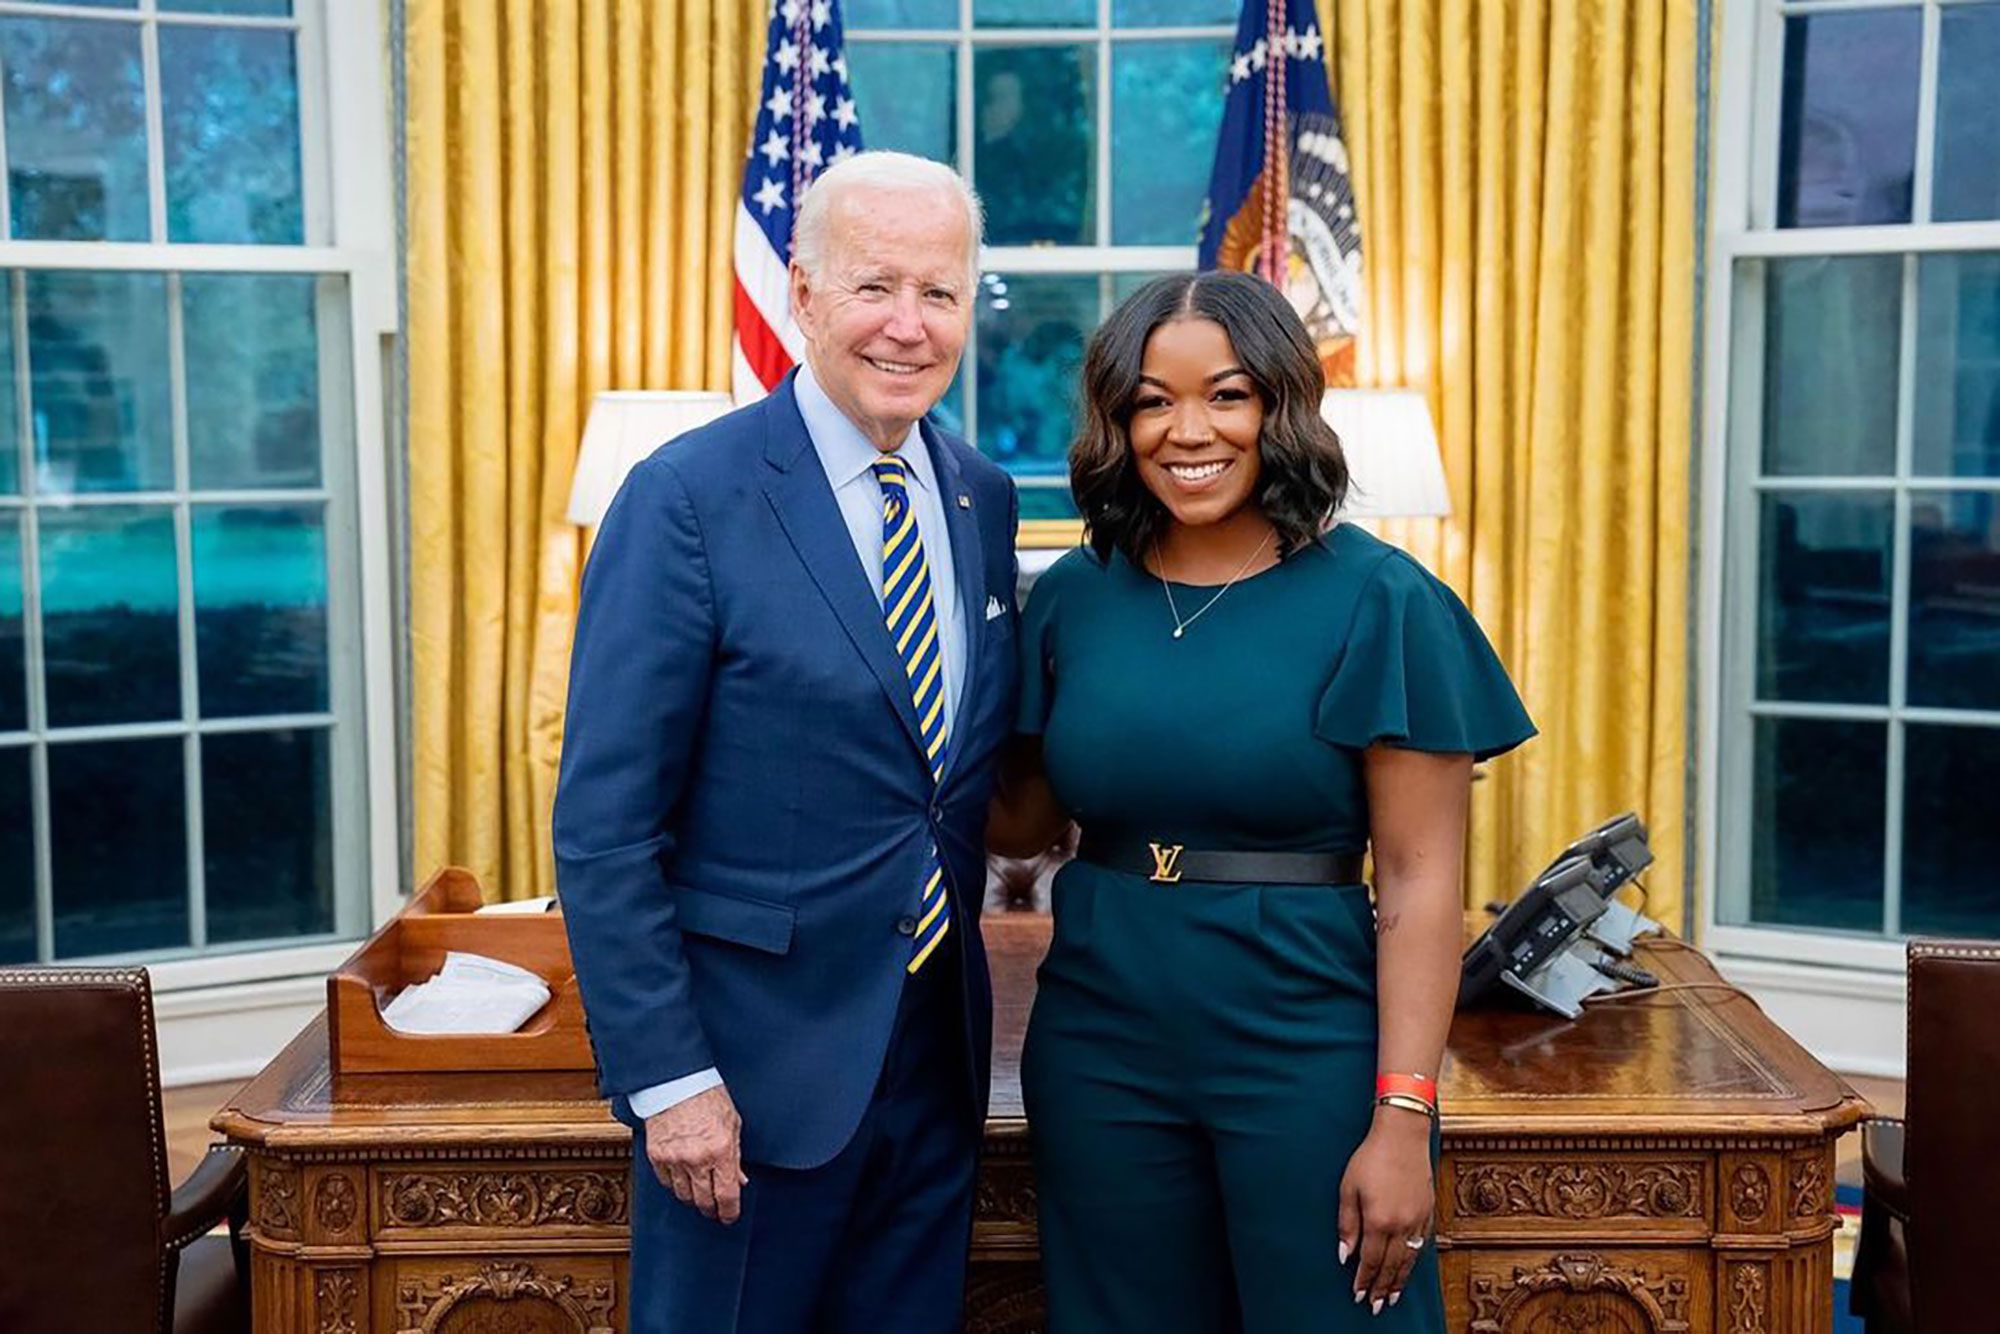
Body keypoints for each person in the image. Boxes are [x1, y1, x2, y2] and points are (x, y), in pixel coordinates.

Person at [988, 270, 1534, 1331]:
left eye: (1225, 394)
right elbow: (1015, 822)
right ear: (1116, 418)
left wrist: (1402, 1116)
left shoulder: (1380, 597)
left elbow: (1419, 883)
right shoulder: (1073, 593)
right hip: (1099, 1036)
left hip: (1302, 1040)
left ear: (1278, 404)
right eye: (1151, 400)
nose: (1186, 429)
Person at [554, 151, 1019, 1334]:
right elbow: (606, 830)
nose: (907, 327)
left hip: (931, 1054)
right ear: (802, 296)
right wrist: (671, 1082)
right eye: (874, 287)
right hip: (747, 1079)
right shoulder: (685, 497)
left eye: (939, 292)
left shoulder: (978, 494)